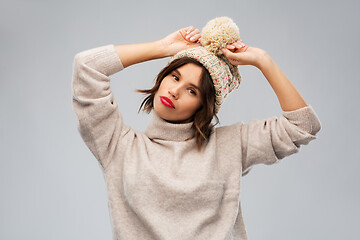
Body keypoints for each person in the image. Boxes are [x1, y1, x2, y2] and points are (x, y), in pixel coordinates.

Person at [72, 17, 321, 240]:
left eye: (192, 90)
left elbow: (302, 125)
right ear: (162, 78)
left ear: (204, 106)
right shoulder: (119, 146)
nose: (175, 91)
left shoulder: (229, 145)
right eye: (175, 76)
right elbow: (87, 67)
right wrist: (161, 48)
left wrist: (262, 60)